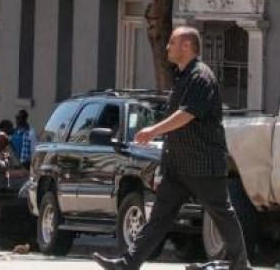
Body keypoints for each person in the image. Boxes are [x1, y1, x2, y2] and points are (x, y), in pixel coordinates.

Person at [93, 27, 251, 270]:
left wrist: (153, 131)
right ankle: (128, 263)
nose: (167, 47)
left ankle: (241, 265)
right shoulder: (184, 77)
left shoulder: (201, 77)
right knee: (159, 218)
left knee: (221, 212)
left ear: (186, 46)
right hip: (178, 166)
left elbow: (186, 114)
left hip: (203, 163)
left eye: (172, 42)